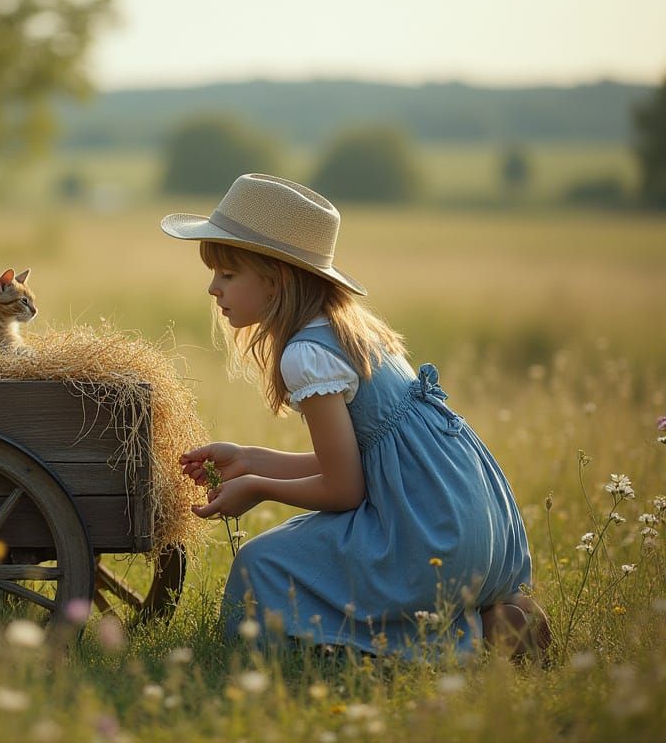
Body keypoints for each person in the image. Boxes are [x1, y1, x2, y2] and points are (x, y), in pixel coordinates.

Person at [161, 173, 550, 661]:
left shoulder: (305, 355)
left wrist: (259, 488)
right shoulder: (351, 330)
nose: (213, 289)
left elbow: (345, 490)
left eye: (228, 274)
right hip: (474, 524)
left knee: (261, 565)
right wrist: (250, 458)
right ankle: (496, 618)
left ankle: (468, 644)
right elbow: (362, 458)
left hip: (426, 538)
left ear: (277, 278)